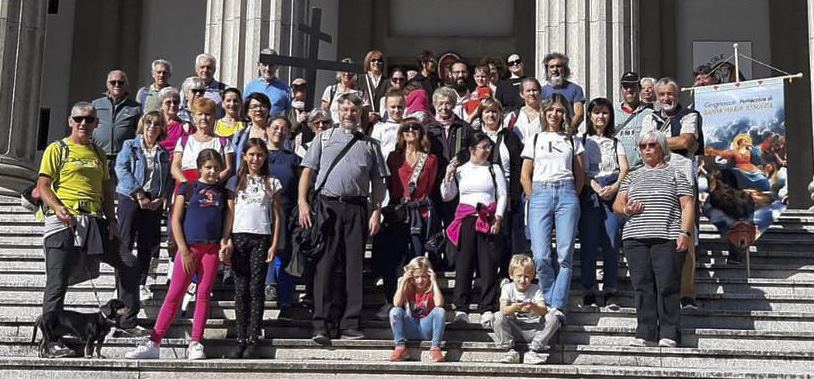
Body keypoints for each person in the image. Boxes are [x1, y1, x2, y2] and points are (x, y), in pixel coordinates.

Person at [37, 102, 145, 357]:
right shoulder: (57, 149)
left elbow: (106, 189)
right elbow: (43, 185)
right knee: (57, 282)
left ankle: (125, 320)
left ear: (97, 123)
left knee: (129, 263)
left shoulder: (97, 152)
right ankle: (51, 340)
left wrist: (113, 220)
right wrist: (58, 207)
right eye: (78, 119)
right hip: (64, 222)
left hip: (95, 221)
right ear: (70, 121)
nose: (83, 124)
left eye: (89, 119)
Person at [125, 149, 234, 360]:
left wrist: (224, 241)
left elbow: (228, 220)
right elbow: (176, 220)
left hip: (211, 249)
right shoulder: (188, 187)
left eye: (216, 168)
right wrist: (183, 250)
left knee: (203, 295)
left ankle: (196, 341)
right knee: (174, 294)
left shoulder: (224, 192)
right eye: (208, 167)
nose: (212, 172)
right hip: (189, 248)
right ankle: (154, 342)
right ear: (200, 168)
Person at [298, 92, 388, 343]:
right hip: (328, 207)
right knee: (324, 266)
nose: (349, 114)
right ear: (338, 111)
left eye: (354, 110)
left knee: (354, 267)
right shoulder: (324, 138)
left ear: (361, 113)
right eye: (345, 110)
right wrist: (303, 202)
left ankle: (350, 323)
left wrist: (377, 211)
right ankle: (321, 324)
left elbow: (378, 181)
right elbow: (308, 172)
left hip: (357, 208)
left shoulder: (371, 145)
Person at [612, 130, 694, 348]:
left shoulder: (676, 174)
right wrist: (627, 208)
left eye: (652, 145)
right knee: (642, 286)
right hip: (635, 238)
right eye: (643, 146)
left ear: (662, 148)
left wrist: (684, 233)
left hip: (667, 237)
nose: (647, 149)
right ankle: (645, 332)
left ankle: (669, 332)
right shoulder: (632, 175)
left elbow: (687, 204)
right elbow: (617, 205)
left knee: (667, 285)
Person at [520, 93, 585, 322]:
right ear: (544, 112)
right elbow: (524, 175)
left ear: (565, 113)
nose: (554, 114)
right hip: (540, 192)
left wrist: (571, 196)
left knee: (565, 254)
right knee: (540, 255)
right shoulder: (535, 138)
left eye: (559, 110)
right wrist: (533, 197)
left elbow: (580, 176)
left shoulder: (573, 140)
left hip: (566, 191)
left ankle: (557, 304)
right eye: (551, 110)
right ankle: (547, 297)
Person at [640, 77, 702, 310]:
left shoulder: (689, 115)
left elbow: (687, 140)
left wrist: (658, 141)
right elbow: (644, 144)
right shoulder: (649, 117)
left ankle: (687, 294)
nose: (666, 98)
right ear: (656, 96)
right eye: (662, 94)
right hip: (655, 183)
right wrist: (670, 143)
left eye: (670, 94)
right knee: (657, 236)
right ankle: (661, 292)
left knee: (686, 235)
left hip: (683, 181)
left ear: (678, 96)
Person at [373, 118, 439, 319]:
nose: (411, 131)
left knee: (416, 261)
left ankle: (416, 303)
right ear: (400, 134)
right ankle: (391, 301)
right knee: (391, 261)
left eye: (415, 128)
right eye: (406, 128)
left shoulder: (431, 160)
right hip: (397, 213)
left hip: (420, 215)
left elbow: (431, 188)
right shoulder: (394, 157)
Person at [441, 132, 507, 328]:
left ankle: (487, 307)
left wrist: (498, 218)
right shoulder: (461, 170)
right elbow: (447, 195)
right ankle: (461, 307)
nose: (487, 151)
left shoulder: (494, 169)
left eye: (489, 147)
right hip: (466, 220)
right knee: (464, 263)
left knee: (488, 264)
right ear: (471, 150)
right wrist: (448, 176)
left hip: (487, 218)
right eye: (483, 147)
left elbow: (502, 194)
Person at [225, 139, 282, 358]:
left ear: (265, 157)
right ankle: (240, 338)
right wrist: (226, 239)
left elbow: (277, 216)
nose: (255, 159)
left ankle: (253, 339)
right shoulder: (236, 181)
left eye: (259, 155)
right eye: (251, 154)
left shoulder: (272, 182)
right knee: (241, 289)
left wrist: (274, 244)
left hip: (261, 237)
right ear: (245, 156)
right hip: (239, 236)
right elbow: (229, 213)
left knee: (256, 288)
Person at [115, 111, 172, 301]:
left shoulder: (163, 153)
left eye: (156, 124)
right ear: (143, 124)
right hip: (130, 197)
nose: (152, 127)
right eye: (149, 123)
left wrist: (162, 197)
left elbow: (166, 178)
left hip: (152, 200)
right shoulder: (130, 146)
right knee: (126, 241)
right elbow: (122, 169)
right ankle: (121, 285)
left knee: (147, 244)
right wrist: (138, 194)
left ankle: (141, 283)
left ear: (161, 128)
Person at [577, 97, 628, 309]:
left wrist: (615, 187)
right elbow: (579, 169)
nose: (601, 116)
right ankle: (589, 289)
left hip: (612, 187)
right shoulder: (582, 140)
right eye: (596, 112)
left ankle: (610, 289)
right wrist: (594, 185)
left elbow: (624, 168)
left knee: (611, 240)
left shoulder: (616, 141)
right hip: (590, 189)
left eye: (605, 113)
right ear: (589, 115)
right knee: (588, 242)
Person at [426, 87, 474, 269]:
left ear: (454, 105)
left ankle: (453, 261)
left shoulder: (463, 128)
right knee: (435, 223)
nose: (444, 107)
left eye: (448, 103)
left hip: (459, 184)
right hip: (434, 183)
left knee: (455, 223)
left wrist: (462, 159)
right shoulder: (428, 129)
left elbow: (474, 151)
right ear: (435, 105)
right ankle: (435, 261)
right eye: (440, 103)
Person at [478, 98, 525, 272]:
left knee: (505, 236)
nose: (491, 115)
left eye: (495, 111)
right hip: (483, 193)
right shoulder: (476, 136)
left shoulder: (510, 136)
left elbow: (517, 166)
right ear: (481, 115)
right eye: (487, 111)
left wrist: (514, 194)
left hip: (506, 191)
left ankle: (505, 274)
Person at [263, 116, 302, 315]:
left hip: (287, 211)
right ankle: (268, 284)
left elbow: (301, 186)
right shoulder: (257, 155)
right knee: (263, 250)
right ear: (267, 130)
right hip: (260, 211)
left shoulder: (293, 158)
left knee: (285, 252)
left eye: (283, 128)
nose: (278, 131)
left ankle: (286, 297)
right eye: (275, 127)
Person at [493, 254, 560, 365]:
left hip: (534, 328)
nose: (522, 280)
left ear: (532, 276)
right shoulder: (507, 288)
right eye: (519, 276)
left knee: (553, 318)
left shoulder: (536, 289)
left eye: (527, 276)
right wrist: (515, 307)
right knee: (496, 317)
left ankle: (534, 350)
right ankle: (510, 350)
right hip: (515, 327)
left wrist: (533, 307)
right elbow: (503, 309)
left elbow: (543, 310)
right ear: (511, 275)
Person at [388, 256, 446, 363]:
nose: (420, 281)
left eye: (423, 276)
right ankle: (400, 347)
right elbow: (396, 303)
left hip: (426, 328)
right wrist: (404, 281)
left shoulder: (431, 287)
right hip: (411, 327)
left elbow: (439, 303)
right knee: (395, 311)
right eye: (416, 277)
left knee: (440, 311)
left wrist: (434, 282)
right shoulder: (407, 286)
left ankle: (435, 347)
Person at [92, 70, 142, 183]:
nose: (117, 85)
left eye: (120, 82)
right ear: (107, 84)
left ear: (126, 84)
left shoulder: (136, 108)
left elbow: (139, 133)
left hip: (123, 157)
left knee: (121, 190)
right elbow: (89, 128)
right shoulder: (96, 104)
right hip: (99, 155)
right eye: (113, 82)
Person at [614, 72, 654, 171]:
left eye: (632, 86)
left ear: (639, 88)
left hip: (642, 171)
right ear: (621, 89)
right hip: (618, 173)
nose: (629, 90)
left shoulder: (651, 114)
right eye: (625, 86)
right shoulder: (612, 114)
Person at [540, 52, 585, 131]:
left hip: (569, 135)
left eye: (558, 66)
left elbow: (579, 114)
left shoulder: (576, 89)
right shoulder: (542, 91)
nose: (555, 69)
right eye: (551, 67)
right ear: (547, 70)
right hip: (547, 133)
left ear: (564, 69)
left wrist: (569, 130)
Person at [243, 48, 292, 117]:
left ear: (277, 66)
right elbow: (244, 111)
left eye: (271, 65)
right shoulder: (250, 87)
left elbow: (290, 114)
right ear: (259, 65)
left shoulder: (285, 89)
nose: (268, 68)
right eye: (265, 64)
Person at [231, 92, 273, 170]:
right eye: (254, 106)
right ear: (247, 112)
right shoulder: (240, 134)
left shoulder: (276, 133)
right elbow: (233, 160)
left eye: (263, 106)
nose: (258, 109)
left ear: (268, 110)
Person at [321, 58, 369, 123]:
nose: (347, 73)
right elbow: (324, 113)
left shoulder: (362, 93)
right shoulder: (331, 90)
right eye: (344, 70)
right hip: (335, 128)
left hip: (355, 129)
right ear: (339, 72)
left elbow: (365, 117)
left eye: (350, 71)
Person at [182, 53, 228, 118]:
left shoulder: (225, 90)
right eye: (202, 67)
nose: (205, 70)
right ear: (196, 69)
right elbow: (180, 109)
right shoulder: (188, 87)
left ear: (214, 70)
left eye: (209, 67)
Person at [371, 89, 406, 167]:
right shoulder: (379, 128)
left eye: (400, 107)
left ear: (404, 106)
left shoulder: (409, 127)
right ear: (386, 107)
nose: (396, 110)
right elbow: (374, 152)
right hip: (385, 168)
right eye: (393, 107)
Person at [158, 87, 193, 158]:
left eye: (175, 102)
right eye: (168, 102)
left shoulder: (187, 127)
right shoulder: (154, 125)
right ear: (161, 105)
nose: (172, 105)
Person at [510, 77, 543, 143]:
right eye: (528, 91)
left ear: (540, 92)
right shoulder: (513, 116)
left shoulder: (547, 115)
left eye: (534, 90)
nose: (532, 93)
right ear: (521, 94)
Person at [360, 50, 389, 117]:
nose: (377, 62)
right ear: (368, 62)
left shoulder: (387, 81)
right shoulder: (360, 79)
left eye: (379, 60)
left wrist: (381, 113)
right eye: (373, 60)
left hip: (381, 119)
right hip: (364, 118)